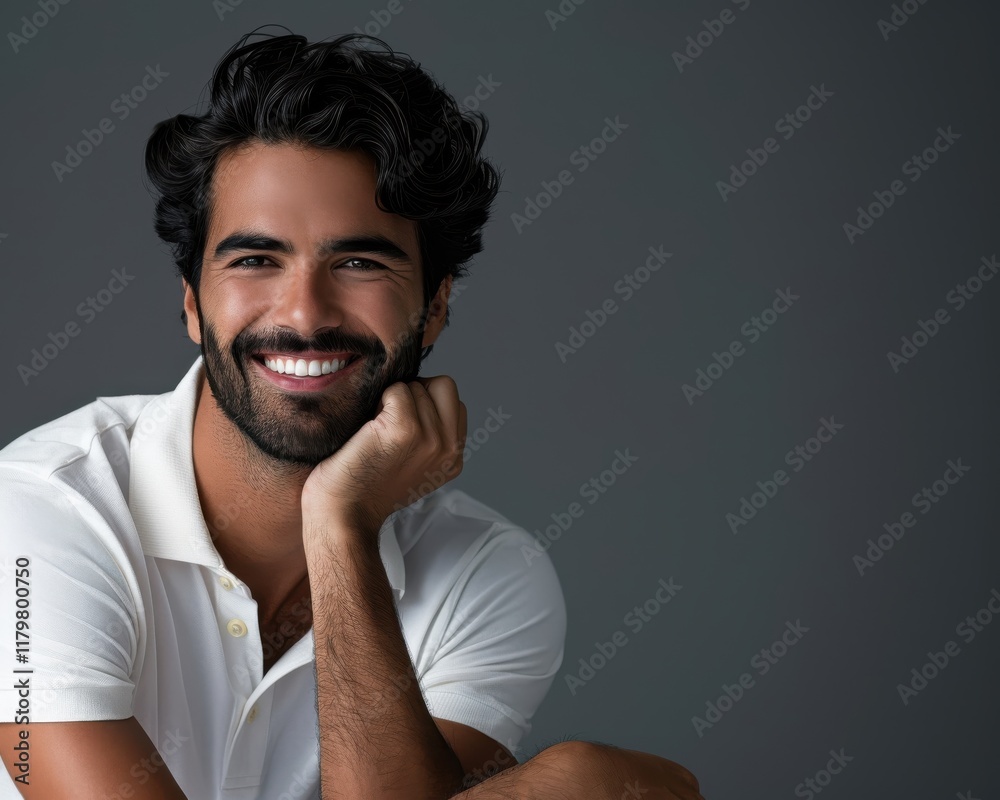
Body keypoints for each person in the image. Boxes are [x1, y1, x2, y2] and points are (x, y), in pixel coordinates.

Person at [0, 29, 703, 799]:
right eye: (255, 259)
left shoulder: (489, 576)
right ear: (193, 304)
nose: (305, 313)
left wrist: (339, 527)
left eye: (360, 262)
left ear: (434, 307)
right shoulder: (36, 513)